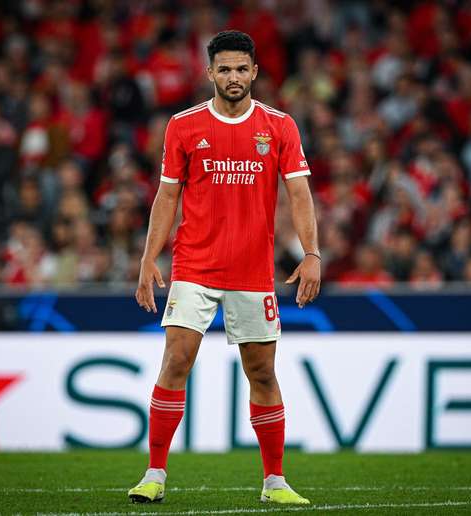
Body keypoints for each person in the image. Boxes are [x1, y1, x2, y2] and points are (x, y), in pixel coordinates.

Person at [129, 31, 319, 505]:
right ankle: (154, 473)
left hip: (253, 271)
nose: (233, 78)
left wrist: (312, 254)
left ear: (254, 72)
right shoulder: (183, 125)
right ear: (209, 72)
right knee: (175, 359)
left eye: (241, 69)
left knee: (262, 372)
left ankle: (274, 481)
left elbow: (299, 195)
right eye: (224, 69)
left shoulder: (279, 126)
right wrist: (149, 257)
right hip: (194, 264)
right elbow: (167, 195)